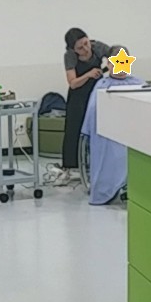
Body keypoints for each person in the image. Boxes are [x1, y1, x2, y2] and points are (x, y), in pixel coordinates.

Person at [59, 28, 124, 185]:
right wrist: (88, 75)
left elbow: (117, 55)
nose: (86, 48)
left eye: (86, 43)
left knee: (97, 128)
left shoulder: (98, 47)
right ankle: (71, 168)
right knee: (74, 130)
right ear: (73, 49)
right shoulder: (70, 56)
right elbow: (73, 83)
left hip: (96, 92)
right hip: (78, 95)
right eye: (80, 47)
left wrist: (116, 66)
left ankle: (96, 163)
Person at [81, 66, 144, 204]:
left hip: (134, 131)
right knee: (111, 157)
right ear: (109, 65)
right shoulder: (102, 86)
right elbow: (93, 112)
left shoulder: (138, 83)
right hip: (109, 134)